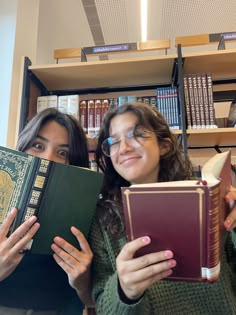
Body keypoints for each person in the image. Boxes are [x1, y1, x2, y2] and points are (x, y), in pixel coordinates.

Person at [89, 102, 236, 314]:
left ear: (164, 145)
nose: (124, 148)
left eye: (136, 134)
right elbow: (102, 305)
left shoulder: (206, 201)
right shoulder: (101, 220)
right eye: (113, 141)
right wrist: (124, 292)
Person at [0, 108, 93, 315]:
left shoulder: (88, 212)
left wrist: (82, 281)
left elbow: (91, 301)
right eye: (38, 145)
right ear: (22, 148)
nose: (48, 158)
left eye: (63, 153)